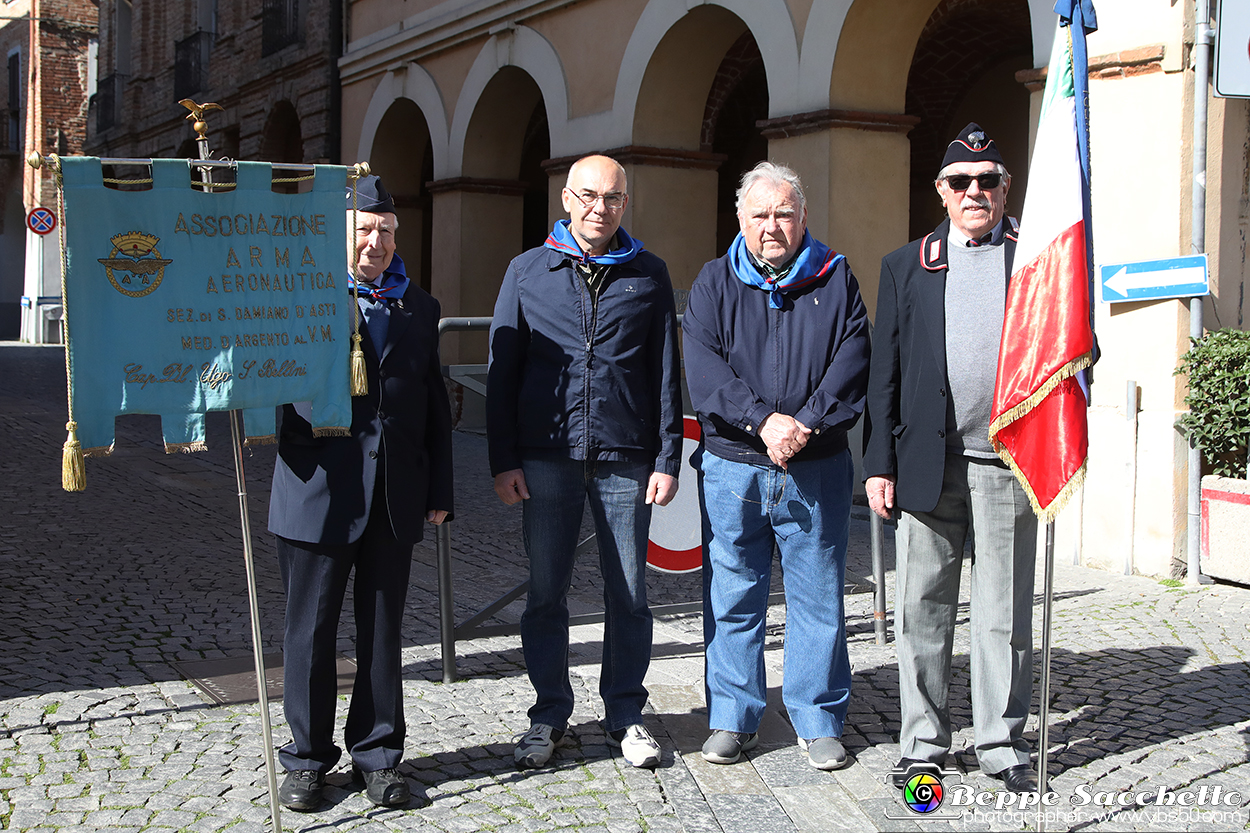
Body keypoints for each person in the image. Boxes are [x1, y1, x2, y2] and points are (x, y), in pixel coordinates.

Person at [487, 154, 682, 770]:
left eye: (615, 198)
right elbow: (502, 374)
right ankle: (548, 714)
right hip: (546, 458)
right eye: (591, 196)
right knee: (546, 592)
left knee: (629, 595)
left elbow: (666, 374)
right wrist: (502, 459)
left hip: (627, 457)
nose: (602, 208)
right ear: (567, 200)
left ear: (627, 203)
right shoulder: (526, 271)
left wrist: (667, 455)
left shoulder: (649, 273)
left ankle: (625, 712)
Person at [863, 123, 1039, 794]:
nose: (976, 192)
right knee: (922, 608)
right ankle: (923, 741)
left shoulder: (1037, 259)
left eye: (989, 180)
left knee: (1003, 610)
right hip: (925, 463)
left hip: (1007, 463)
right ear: (941, 191)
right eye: (962, 182)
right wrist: (878, 463)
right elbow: (886, 372)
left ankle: (1000, 740)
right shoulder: (907, 264)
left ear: (1006, 188)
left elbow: (1073, 351)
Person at [268, 175, 454, 811]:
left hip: (394, 494)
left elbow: (434, 404)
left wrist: (440, 489)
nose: (375, 241)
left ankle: (378, 755)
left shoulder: (419, 307)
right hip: (318, 490)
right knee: (311, 632)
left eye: (385, 230)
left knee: (382, 632)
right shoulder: (300, 297)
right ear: (338, 236)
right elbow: (269, 384)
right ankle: (307, 760)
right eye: (363, 230)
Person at [682, 161, 870, 770]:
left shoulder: (836, 278)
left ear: (802, 217)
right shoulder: (713, 282)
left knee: (817, 595)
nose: (772, 226)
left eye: (783, 213)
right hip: (733, 463)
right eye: (760, 214)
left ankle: (817, 718)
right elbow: (704, 366)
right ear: (740, 218)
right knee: (734, 592)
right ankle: (733, 717)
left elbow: (852, 357)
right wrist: (762, 420)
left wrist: (806, 422)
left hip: (815, 465)